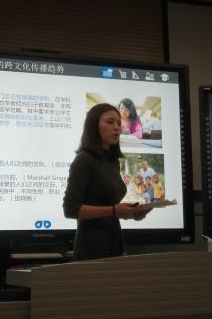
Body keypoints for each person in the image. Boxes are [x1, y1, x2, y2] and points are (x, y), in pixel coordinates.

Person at [63, 103, 149, 261]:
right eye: (110, 122)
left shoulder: (112, 161)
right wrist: (114, 211)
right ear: (93, 126)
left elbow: (106, 205)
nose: (117, 127)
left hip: (114, 242)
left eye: (119, 123)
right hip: (91, 248)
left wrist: (130, 213)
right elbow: (70, 209)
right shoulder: (84, 159)